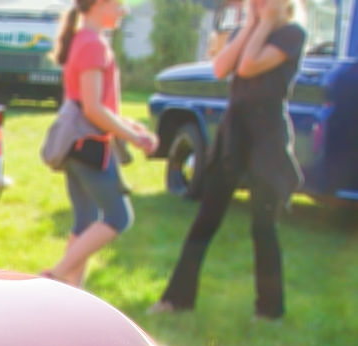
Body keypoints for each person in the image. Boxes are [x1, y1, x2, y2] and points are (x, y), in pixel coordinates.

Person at [151, 0, 306, 320]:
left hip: (267, 139)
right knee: (205, 220)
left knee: (264, 227)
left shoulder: (292, 34)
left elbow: (249, 65)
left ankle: (269, 310)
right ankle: (176, 300)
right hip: (233, 136)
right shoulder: (245, 30)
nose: (259, 3)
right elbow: (221, 67)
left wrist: (263, 24)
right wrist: (251, 24)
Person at [43, 0, 157, 287]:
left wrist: (128, 126)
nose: (123, 11)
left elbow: (92, 104)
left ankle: (70, 294)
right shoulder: (93, 45)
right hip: (89, 147)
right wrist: (134, 138)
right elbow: (93, 109)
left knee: (85, 220)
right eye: (118, 5)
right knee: (119, 216)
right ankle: (54, 277)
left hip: (77, 144)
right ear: (100, 5)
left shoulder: (83, 40)